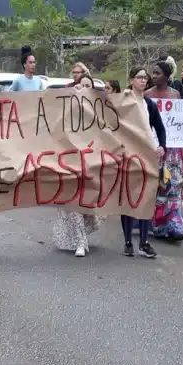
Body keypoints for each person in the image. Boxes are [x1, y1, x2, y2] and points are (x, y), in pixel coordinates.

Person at [52, 73, 105, 257]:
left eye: (89, 86)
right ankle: (80, 242)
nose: (85, 89)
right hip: (70, 162)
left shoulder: (98, 110)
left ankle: (81, 235)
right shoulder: (68, 108)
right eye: (82, 85)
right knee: (73, 201)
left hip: (90, 163)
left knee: (85, 202)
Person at [121, 66, 164, 258]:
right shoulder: (122, 103)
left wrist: (162, 145)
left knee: (147, 198)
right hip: (128, 158)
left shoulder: (149, 104)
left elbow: (160, 128)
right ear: (131, 80)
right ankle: (128, 241)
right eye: (139, 77)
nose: (143, 80)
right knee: (128, 199)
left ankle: (144, 242)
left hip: (147, 157)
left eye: (145, 78)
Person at [145, 62, 183, 241]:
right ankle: (156, 221)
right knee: (156, 184)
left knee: (173, 183)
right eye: (152, 73)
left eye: (157, 73)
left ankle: (173, 219)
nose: (153, 76)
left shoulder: (176, 94)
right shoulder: (147, 95)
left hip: (173, 149)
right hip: (154, 148)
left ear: (167, 76)